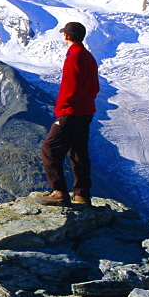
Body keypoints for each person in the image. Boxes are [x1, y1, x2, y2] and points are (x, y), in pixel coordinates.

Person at [35, 21, 100, 206]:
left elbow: (68, 88)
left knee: (49, 149)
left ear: (67, 36)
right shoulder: (88, 56)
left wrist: (62, 109)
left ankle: (59, 192)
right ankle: (82, 194)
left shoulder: (74, 57)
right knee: (78, 152)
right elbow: (95, 87)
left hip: (70, 111)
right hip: (86, 111)